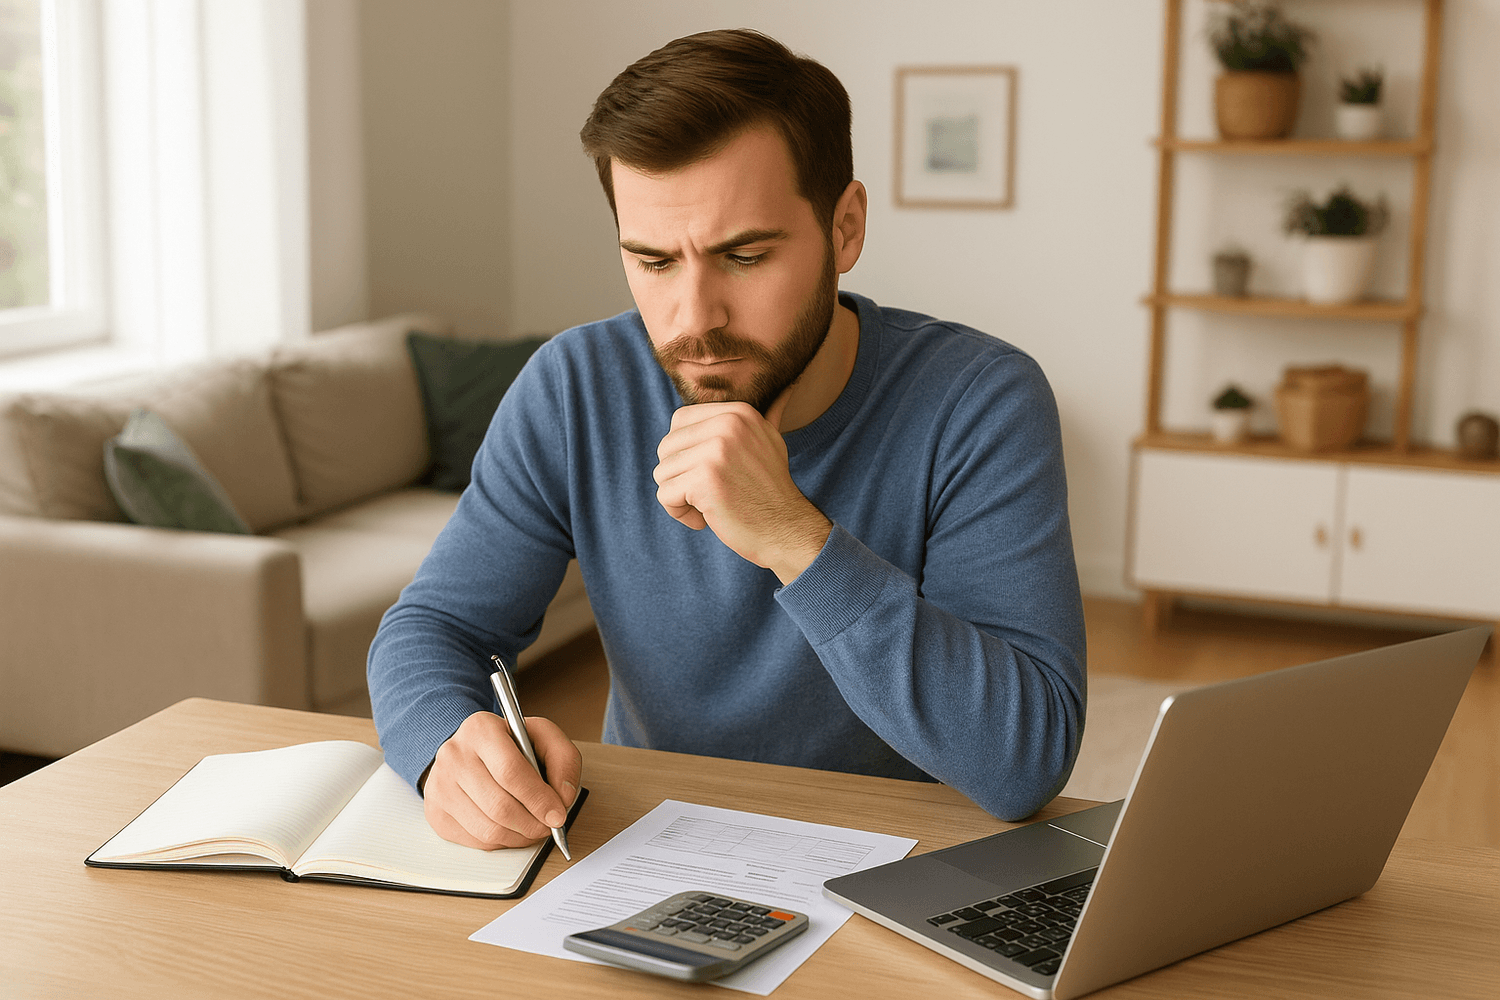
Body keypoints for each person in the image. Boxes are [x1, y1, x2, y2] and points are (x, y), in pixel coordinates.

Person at [368, 28, 1086, 852]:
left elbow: (1024, 760)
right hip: (646, 846)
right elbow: (436, 628)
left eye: (743, 256)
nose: (692, 318)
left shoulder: (979, 400)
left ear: (844, 228)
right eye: (653, 262)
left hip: (899, 864)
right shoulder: (575, 386)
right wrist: (444, 747)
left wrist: (794, 537)